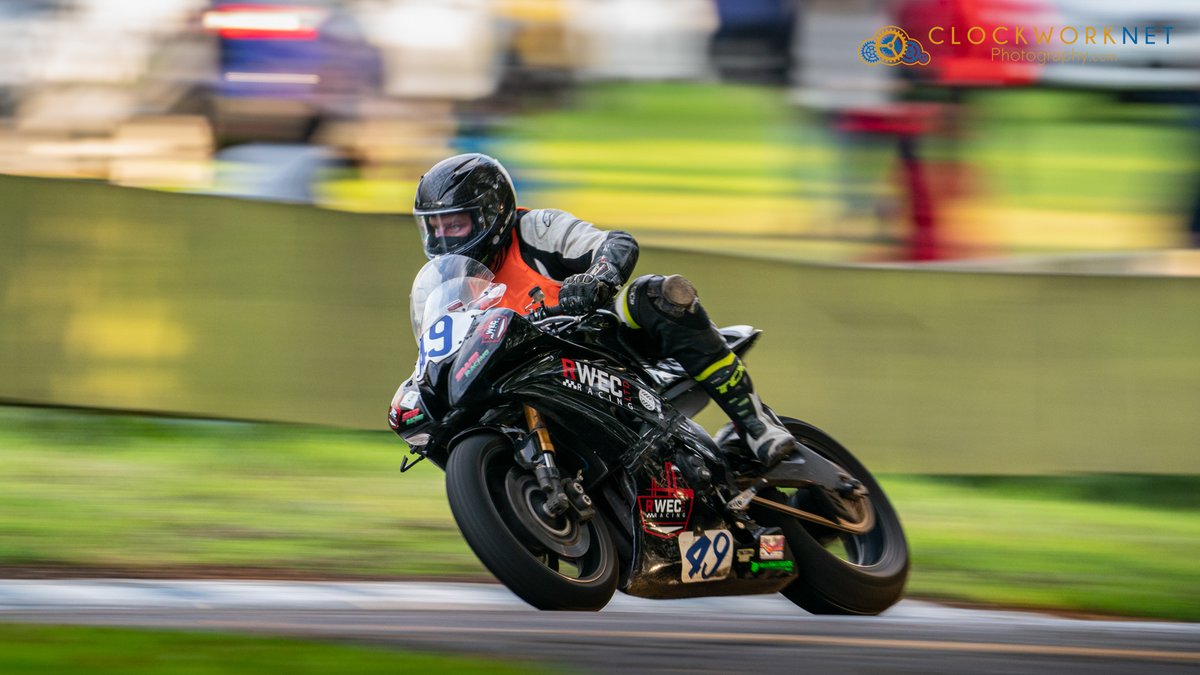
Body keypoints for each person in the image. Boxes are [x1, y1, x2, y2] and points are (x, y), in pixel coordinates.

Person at [413, 153, 797, 468]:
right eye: (435, 227)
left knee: (655, 294)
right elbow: (437, 352)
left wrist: (597, 277)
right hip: (526, 384)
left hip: (597, 346)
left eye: (456, 224)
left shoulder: (534, 229)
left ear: (490, 215)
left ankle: (754, 423)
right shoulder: (442, 287)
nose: (444, 239)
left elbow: (614, 243)